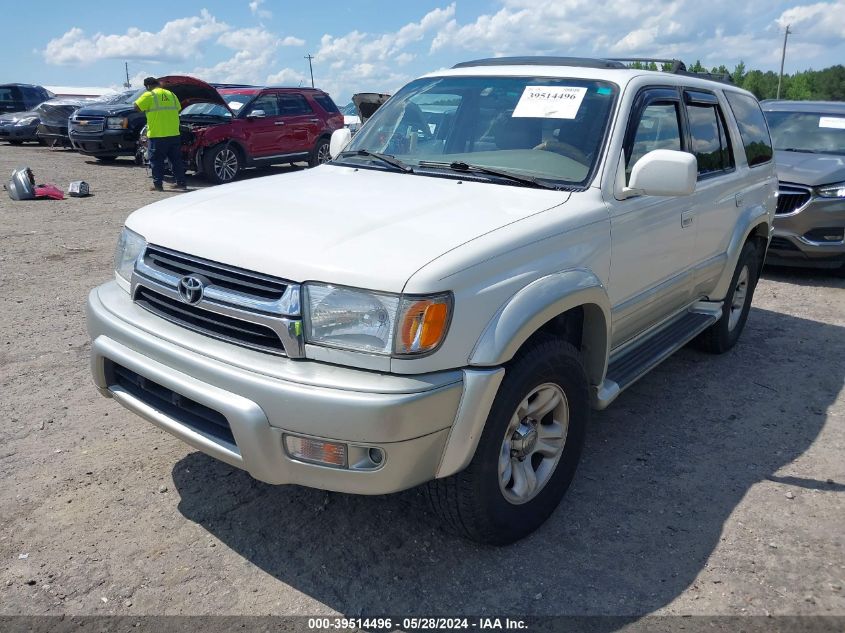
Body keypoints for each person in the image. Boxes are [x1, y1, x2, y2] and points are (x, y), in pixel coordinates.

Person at [134, 77, 187, 192]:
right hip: (174, 133)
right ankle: (181, 183)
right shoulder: (172, 94)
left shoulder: (149, 95)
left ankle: (158, 185)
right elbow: (178, 108)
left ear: (147, 86)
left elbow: (136, 107)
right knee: (176, 160)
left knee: (157, 161)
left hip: (158, 134)